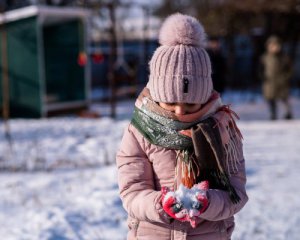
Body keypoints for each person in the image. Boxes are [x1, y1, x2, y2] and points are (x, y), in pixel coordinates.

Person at [116, 13, 248, 240]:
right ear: (157, 96)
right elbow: (132, 191)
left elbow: (236, 193)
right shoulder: (139, 131)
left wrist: (208, 202)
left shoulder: (222, 129)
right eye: (170, 102)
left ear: (205, 96)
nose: (179, 110)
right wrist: (160, 204)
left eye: (190, 103)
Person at [260, 36, 293, 120]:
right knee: (271, 99)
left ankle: (288, 113)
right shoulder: (265, 58)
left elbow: (290, 69)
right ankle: (273, 114)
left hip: (281, 81)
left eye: (276, 45)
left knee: (284, 98)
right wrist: (263, 77)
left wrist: (286, 77)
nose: (274, 48)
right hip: (269, 82)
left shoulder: (284, 57)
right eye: (271, 46)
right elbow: (260, 69)